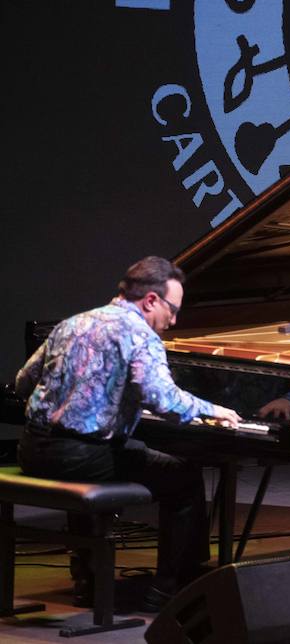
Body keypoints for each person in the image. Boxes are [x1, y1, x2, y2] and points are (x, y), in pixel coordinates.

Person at [14, 256, 242, 611]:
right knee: (183, 477)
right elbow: (164, 400)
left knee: (121, 452)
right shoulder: (139, 335)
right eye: (173, 309)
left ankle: (87, 582)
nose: (174, 320)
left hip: (32, 449)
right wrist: (213, 409)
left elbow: (23, 381)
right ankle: (168, 590)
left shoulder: (73, 322)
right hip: (80, 458)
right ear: (151, 300)